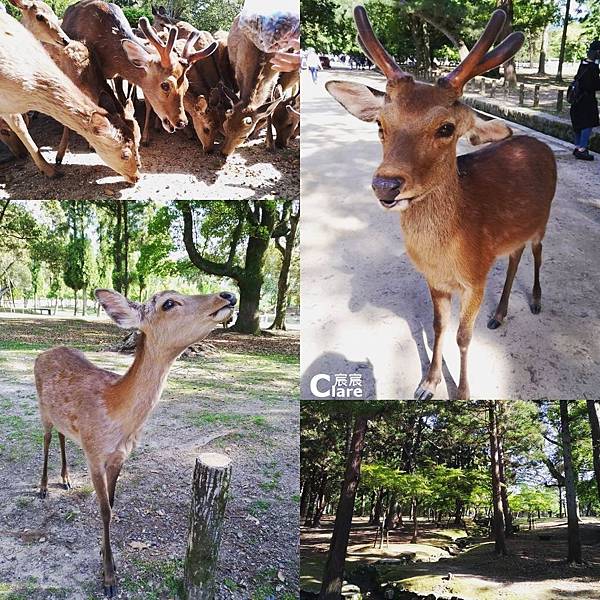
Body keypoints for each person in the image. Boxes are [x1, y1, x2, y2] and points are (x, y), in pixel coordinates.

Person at [570, 40, 600, 161]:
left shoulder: (583, 64)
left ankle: (577, 147)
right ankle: (582, 149)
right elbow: (594, 85)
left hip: (578, 99)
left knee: (579, 123)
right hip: (587, 100)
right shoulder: (593, 67)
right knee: (587, 124)